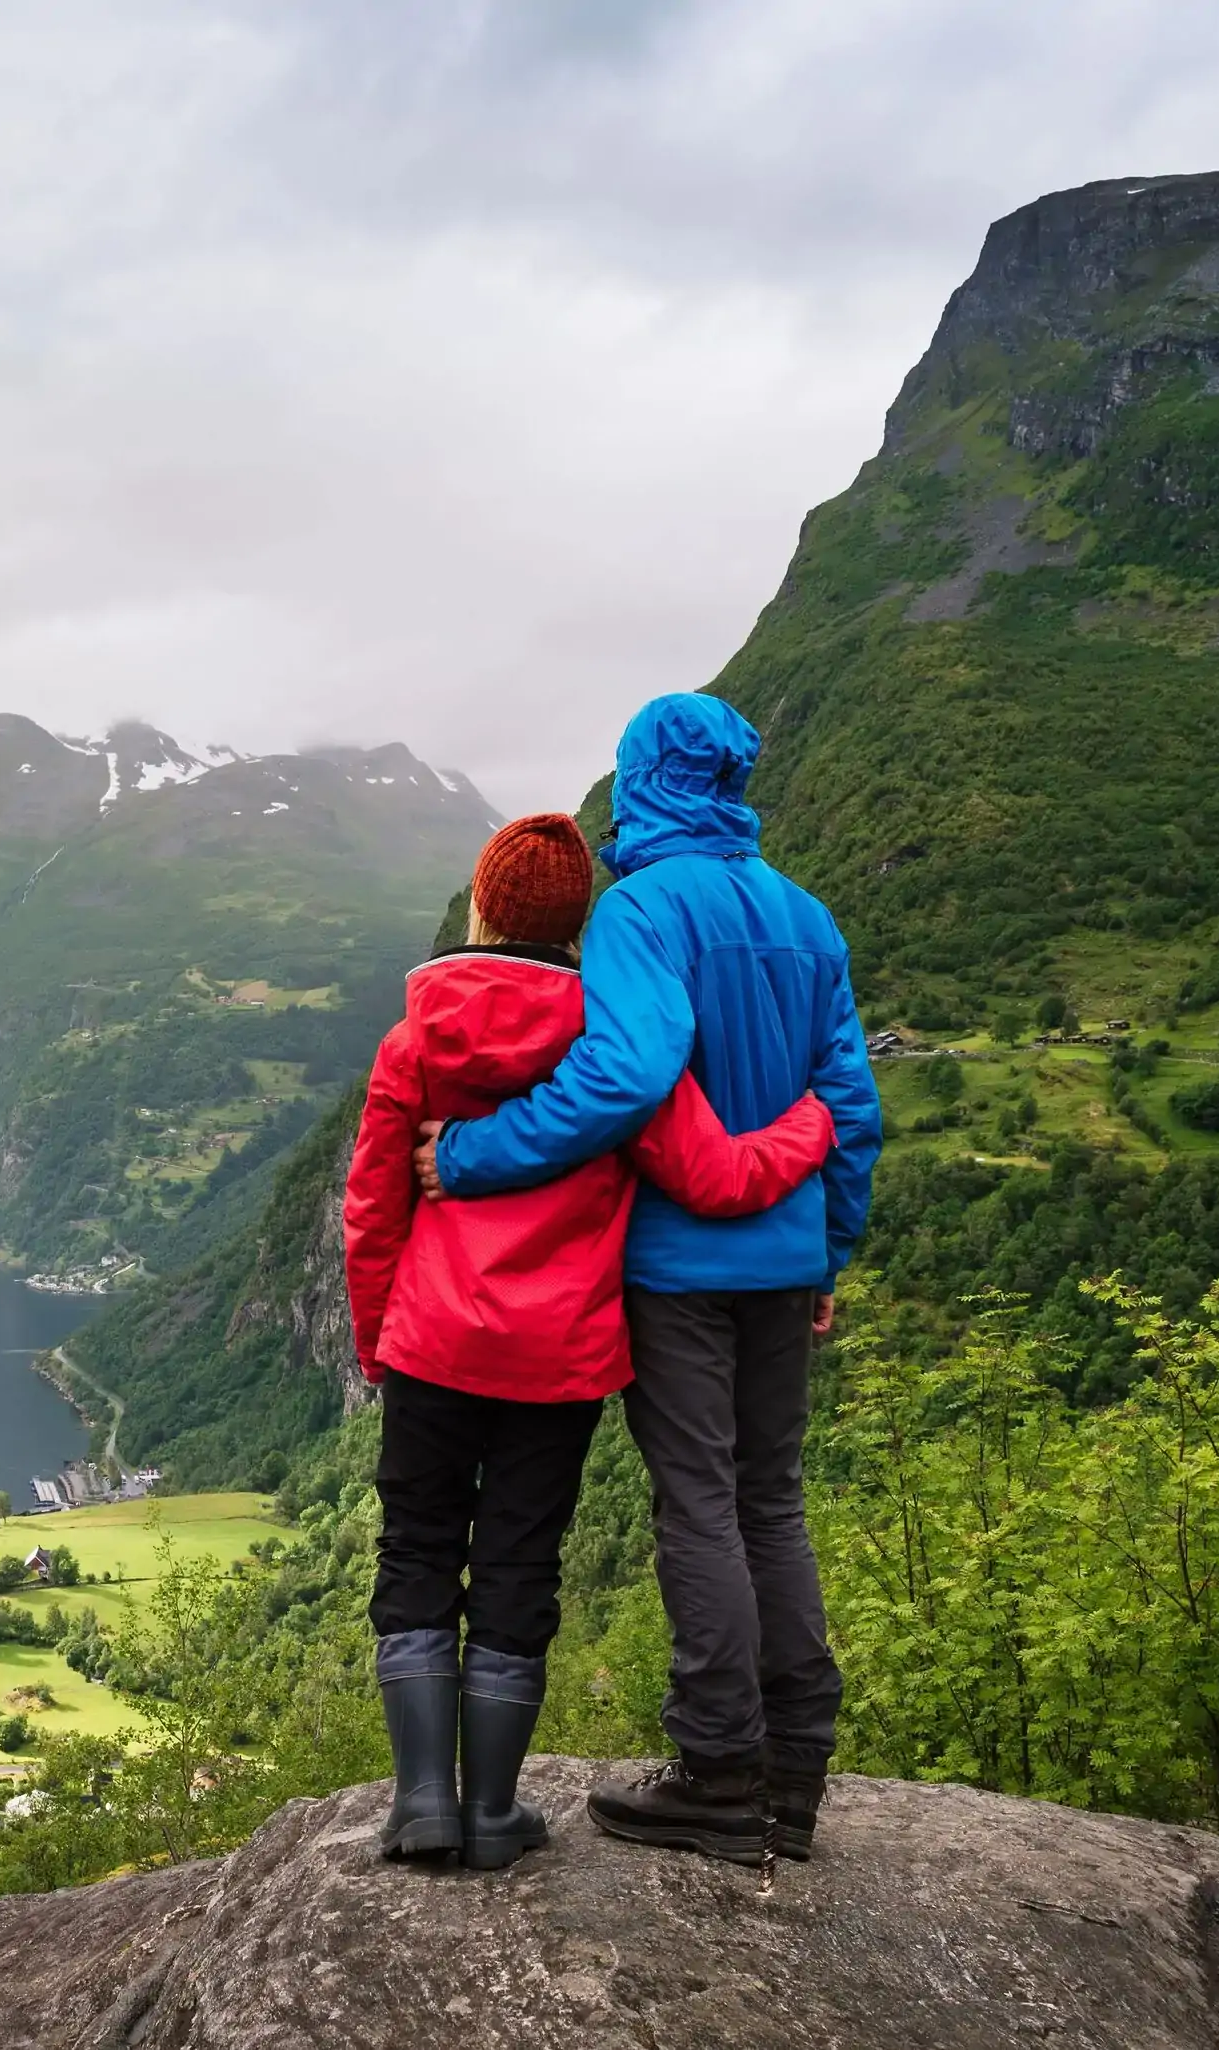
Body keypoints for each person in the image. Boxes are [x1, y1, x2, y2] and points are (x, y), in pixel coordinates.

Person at [416, 694, 882, 1867]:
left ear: (642, 781)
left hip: (675, 1267)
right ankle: (795, 1773)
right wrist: (828, 1246)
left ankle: (719, 1767)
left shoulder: (640, 910)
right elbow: (851, 1106)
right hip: (784, 1265)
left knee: (702, 1505)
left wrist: (469, 1156)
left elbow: (625, 1078)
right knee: (772, 1500)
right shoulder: (806, 917)